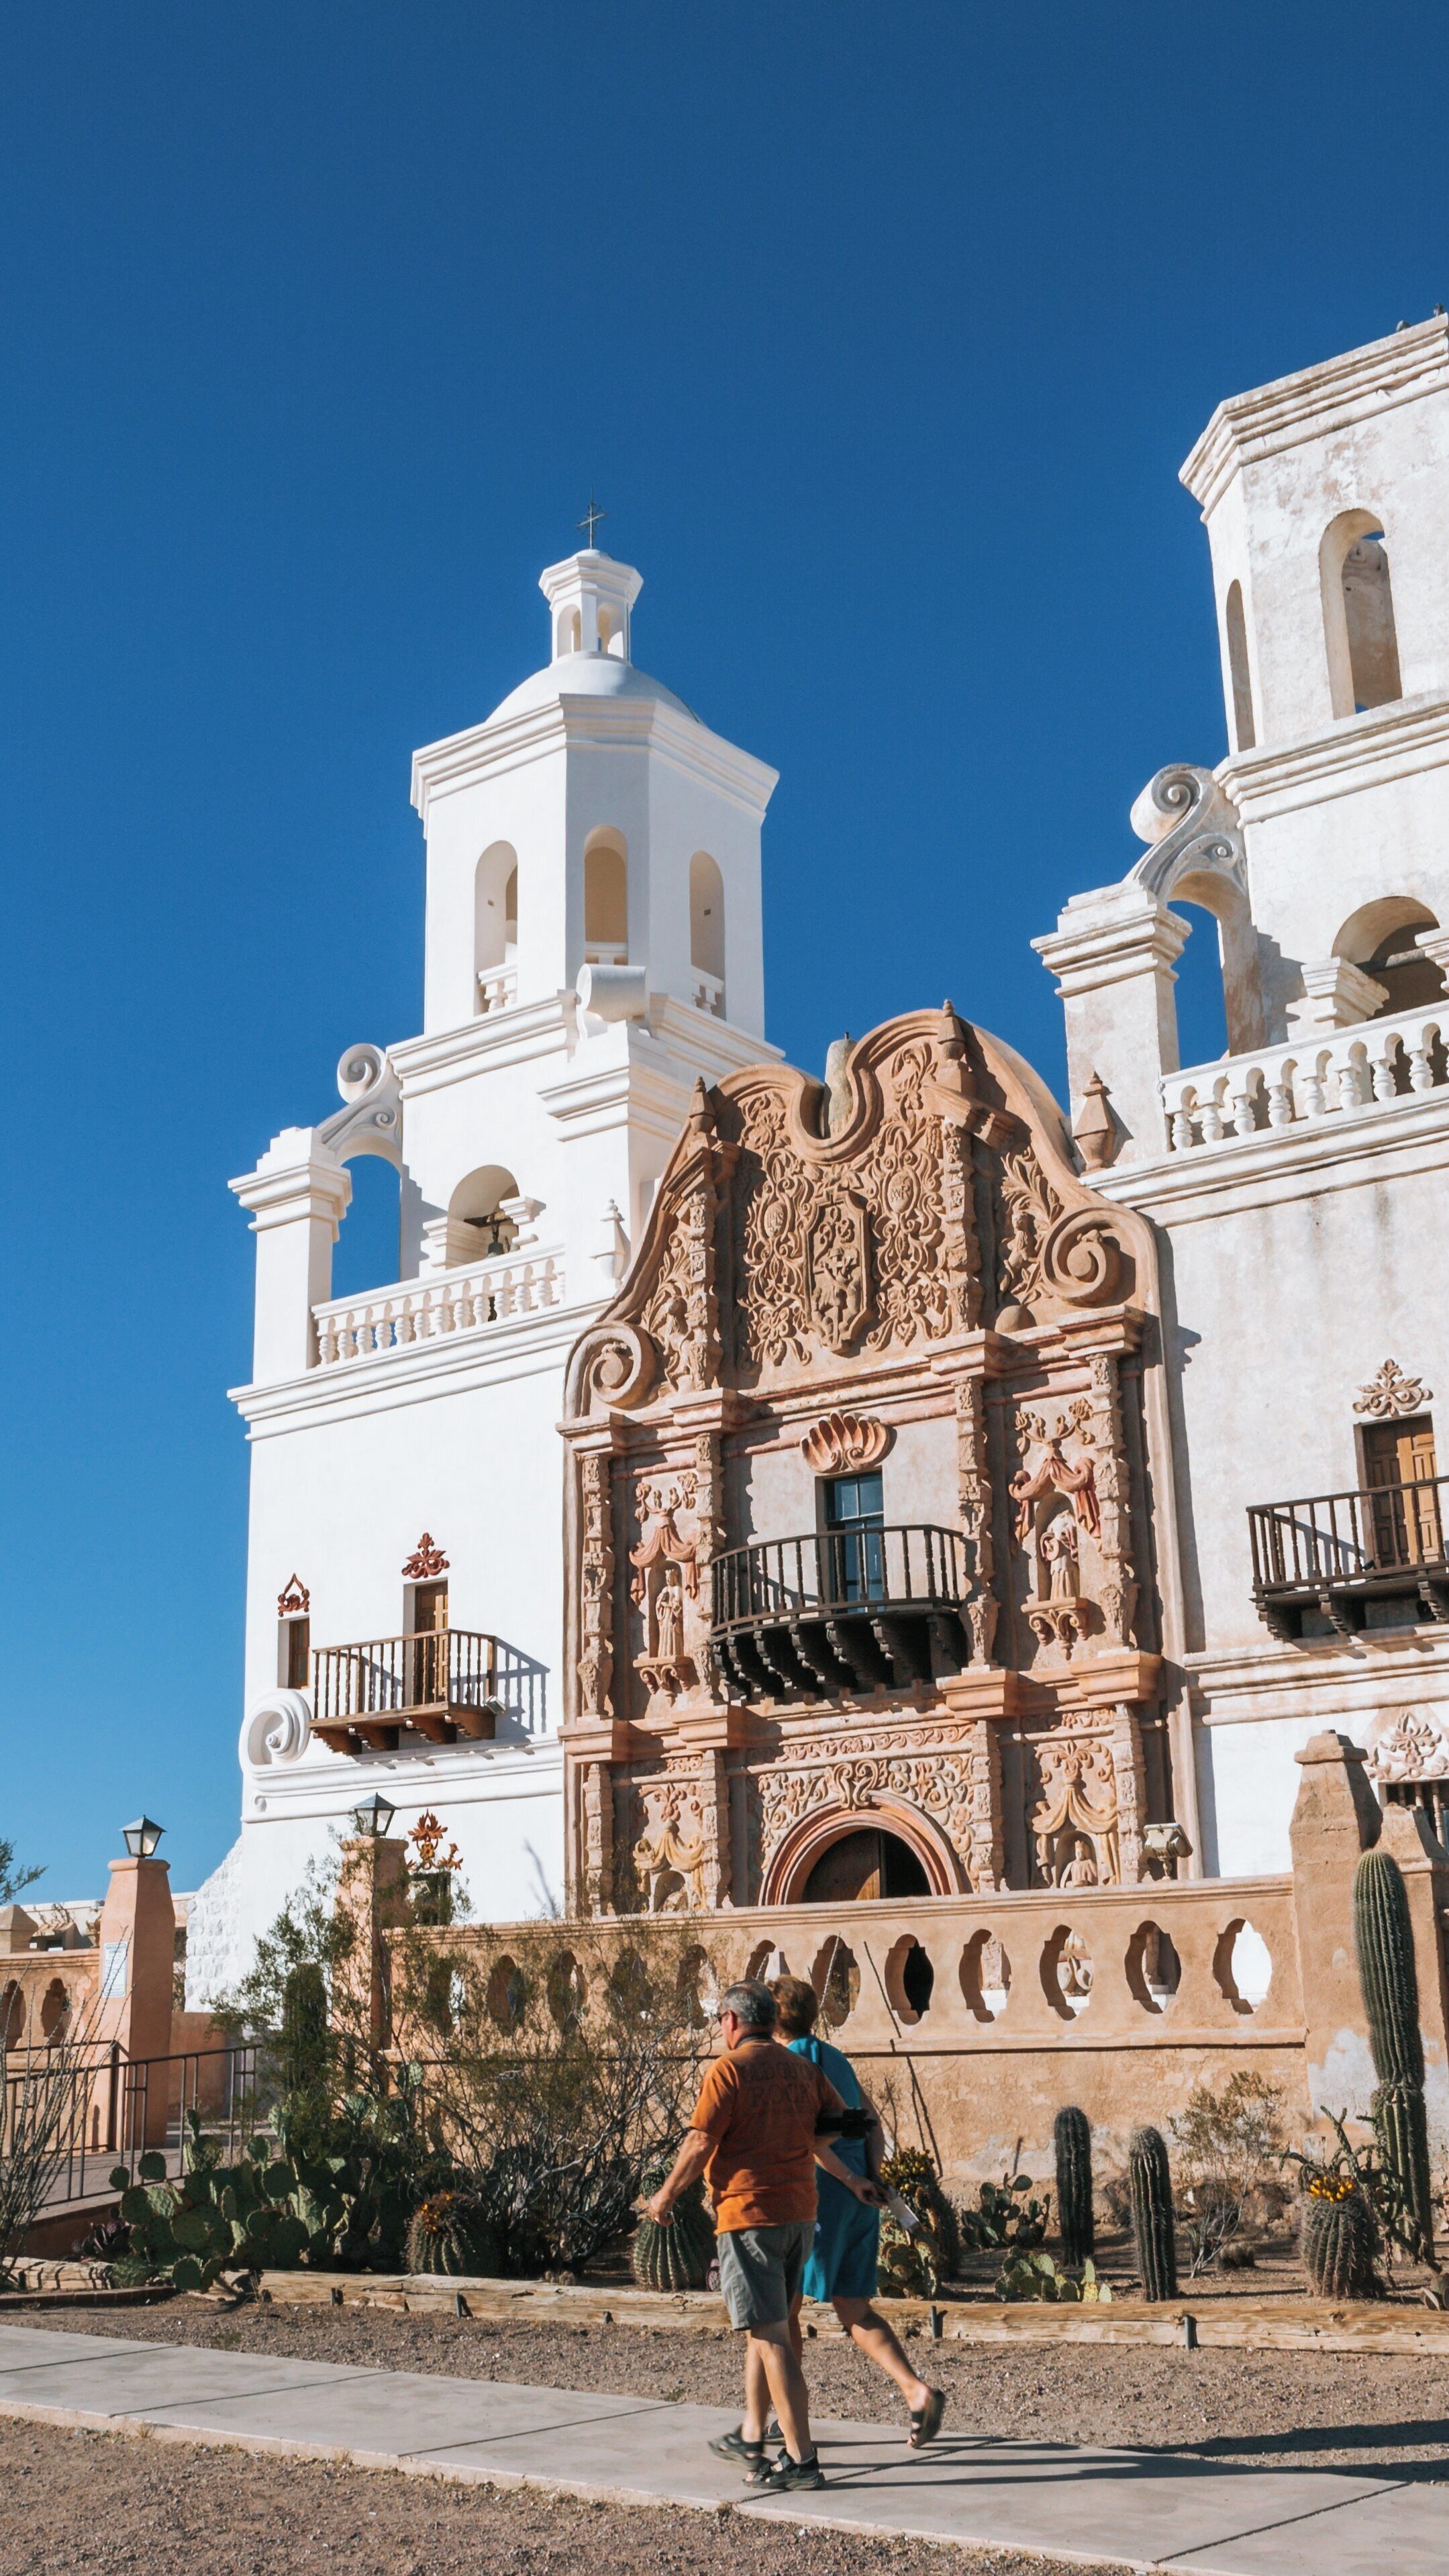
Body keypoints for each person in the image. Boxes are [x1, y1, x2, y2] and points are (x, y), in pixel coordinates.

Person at [644, 1977, 843, 2492]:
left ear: (731, 2020)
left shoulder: (727, 2069)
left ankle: (801, 2459)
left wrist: (665, 2195)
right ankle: (752, 2435)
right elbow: (845, 2122)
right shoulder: (803, 2068)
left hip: (749, 2216)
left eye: (720, 2021)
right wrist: (799, 2147)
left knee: (771, 2337)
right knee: (768, 2332)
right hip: (800, 2213)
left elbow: (700, 2140)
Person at [770, 1973, 946, 2448]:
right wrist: (871, 2178)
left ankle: (788, 2412)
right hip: (861, 2193)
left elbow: (808, 2137)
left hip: (821, 2194)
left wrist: (847, 2179)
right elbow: (871, 2122)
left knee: (783, 2306)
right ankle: (916, 2390)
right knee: (852, 2305)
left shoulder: (788, 2062)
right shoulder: (835, 2058)